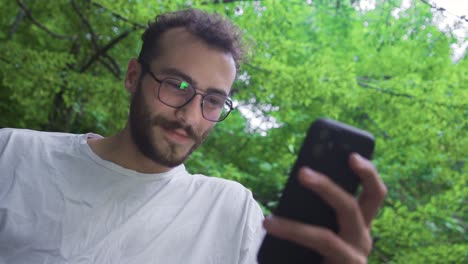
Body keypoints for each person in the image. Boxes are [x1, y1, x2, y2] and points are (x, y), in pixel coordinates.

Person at [0, 9, 386, 264]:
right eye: (176, 84)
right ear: (133, 76)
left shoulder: (229, 210)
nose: (189, 115)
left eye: (214, 100)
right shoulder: (13, 154)